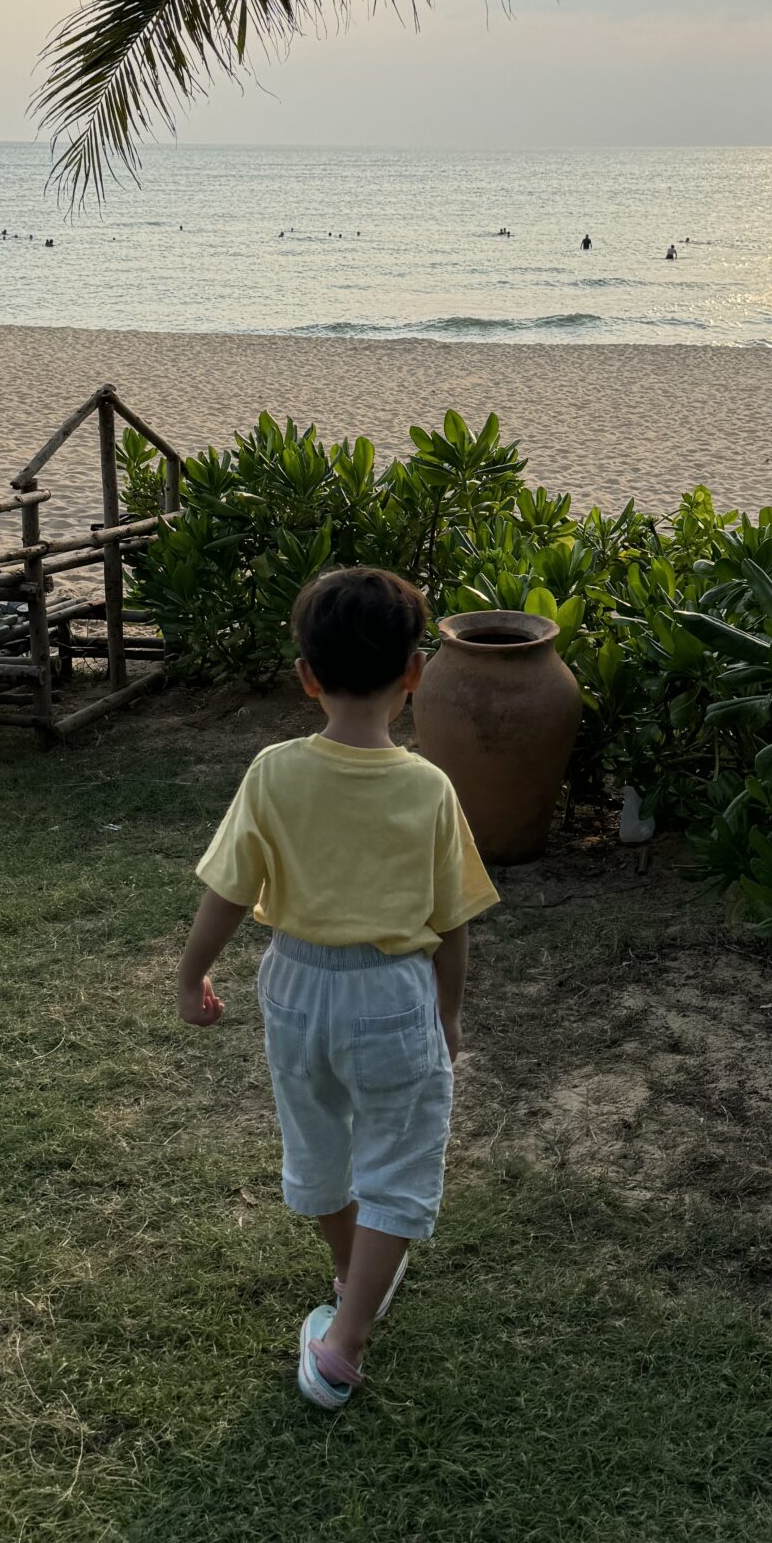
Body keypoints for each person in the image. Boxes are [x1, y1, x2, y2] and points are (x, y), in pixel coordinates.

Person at [175, 566, 497, 1410]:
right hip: (390, 994)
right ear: (415, 672)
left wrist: (191, 971)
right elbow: (452, 918)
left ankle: (351, 1277)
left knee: (318, 1144)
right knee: (399, 1154)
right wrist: (448, 1014)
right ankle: (343, 1345)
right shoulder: (427, 786)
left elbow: (231, 893)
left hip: (293, 987)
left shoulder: (275, 772)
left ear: (306, 676)